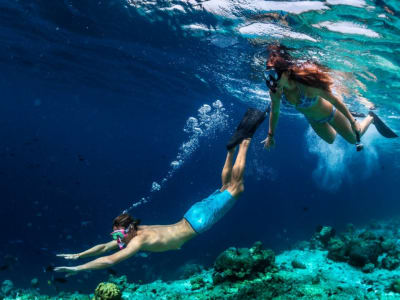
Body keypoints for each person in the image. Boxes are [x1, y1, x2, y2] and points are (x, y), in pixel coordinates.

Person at [54, 108, 266, 275]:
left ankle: (244, 141)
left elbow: (110, 259)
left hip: (198, 221)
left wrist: (77, 269)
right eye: (115, 234)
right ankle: (230, 151)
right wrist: (78, 255)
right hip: (192, 214)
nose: (117, 238)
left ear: (128, 230)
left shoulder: (138, 240)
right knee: (224, 188)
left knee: (236, 187)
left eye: (119, 234)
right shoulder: (136, 231)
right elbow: (103, 248)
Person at [262, 44, 397, 151]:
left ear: (286, 73)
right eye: (268, 75)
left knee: (354, 138)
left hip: (331, 113)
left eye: (274, 75)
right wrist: (270, 135)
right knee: (331, 139)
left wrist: (352, 122)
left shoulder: (306, 86)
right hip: (314, 119)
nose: (271, 80)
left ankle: (371, 117)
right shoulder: (276, 92)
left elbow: (334, 100)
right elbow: (275, 111)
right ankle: (348, 118)